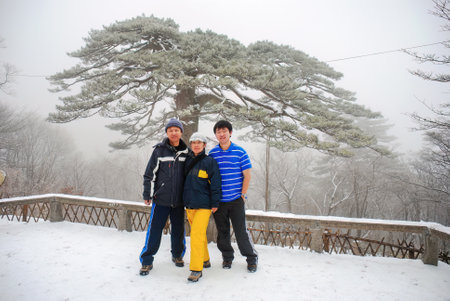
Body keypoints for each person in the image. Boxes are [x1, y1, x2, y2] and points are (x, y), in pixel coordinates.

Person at [139, 118, 189, 276]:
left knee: (178, 231)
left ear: (181, 132)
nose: (174, 132)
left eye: (176, 130)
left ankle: (177, 255)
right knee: (154, 230)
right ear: (167, 133)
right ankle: (147, 260)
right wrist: (147, 193)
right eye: (170, 130)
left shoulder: (187, 152)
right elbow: (149, 174)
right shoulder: (159, 151)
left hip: (179, 201)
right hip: (161, 200)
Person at [209, 120, 258, 273]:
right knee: (222, 231)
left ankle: (251, 258)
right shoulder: (212, 154)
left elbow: (247, 175)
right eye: (218, 132)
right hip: (219, 202)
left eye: (224, 131)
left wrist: (242, 195)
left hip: (236, 200)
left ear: (230, 132)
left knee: (241, 231)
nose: (221, 134)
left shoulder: (240, 152)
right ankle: (227, 257)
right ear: (216, 135)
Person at [183, 132, 221, 282]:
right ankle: (205, 259)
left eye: (199, 142)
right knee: (199, 235)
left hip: (204, 206)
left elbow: (216, 183)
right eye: (193, 142)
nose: (196, 145)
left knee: (196, 236)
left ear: (204, 145)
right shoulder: (187, 161)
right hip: (190, 205)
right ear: (191, 145)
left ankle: (196, 268)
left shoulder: (209, 162)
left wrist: (215, 203)